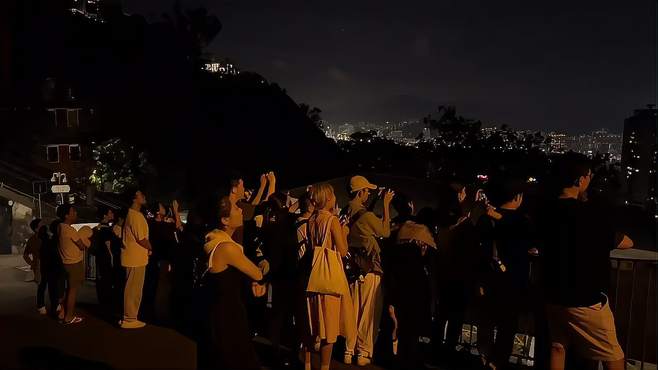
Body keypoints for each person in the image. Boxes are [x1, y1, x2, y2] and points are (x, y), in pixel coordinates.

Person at [541, 153, 633, 370]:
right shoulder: (590, 215)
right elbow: (625, 242)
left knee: (557, 347)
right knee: (614, 355)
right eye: (589, 176)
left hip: (553, 293)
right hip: (585, 298)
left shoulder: (545, 211)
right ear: (580, 179)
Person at [199, 195, 266, 370]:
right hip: (229, 316)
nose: (241, 210)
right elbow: (257, 274)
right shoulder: (227, 248)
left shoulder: (213, 241)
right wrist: (262, 267)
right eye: (236, 208)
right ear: (225, 219)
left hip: (217, 314)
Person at [476, 178, 535, 370]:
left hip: (489, 278)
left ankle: (484, 357)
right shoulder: (521, 222)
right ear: (518, 197)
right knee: (507, 326)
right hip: (513, 282)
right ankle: (497, 362)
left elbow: (479, 249)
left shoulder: (486, 219)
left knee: (486, 321)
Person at [301, 183, 355, 370]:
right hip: (329, 280)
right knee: (329, 329)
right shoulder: (331, 220)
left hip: (314, 277)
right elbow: (342, 250)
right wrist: (345, 231)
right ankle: (324, 366)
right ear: (328, 198)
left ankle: (307, 364)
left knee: (312, 325)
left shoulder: (312, 219)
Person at [344, 175, 394, 366]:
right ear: (361, 192)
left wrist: (374, 200)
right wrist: (386, 205)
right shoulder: (368, 217)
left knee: (352, 310)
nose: (368, 193)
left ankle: (348, 349)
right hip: (371, 269)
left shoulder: (345, 211)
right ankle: (363, 352)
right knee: (368, 312)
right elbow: (385, 231)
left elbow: (362, 217)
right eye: (367, 191)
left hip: (354, 268)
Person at [385, 205, 437, 369]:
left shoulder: (404, 228)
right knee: (412, 328)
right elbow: (432, 260)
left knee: (402, 324)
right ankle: (410, 360)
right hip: (416, 286)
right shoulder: (425, 235)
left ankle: (399, 358)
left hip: (398, 283)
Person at [120, 188, 151, 329]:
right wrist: (151, 247)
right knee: (133, 290)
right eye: (140, 194)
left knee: (132, 289)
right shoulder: (135, 216)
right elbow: (141, 239)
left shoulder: (133, 215)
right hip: (135, 259)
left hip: (133, 257)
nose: (143, 196)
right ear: (134, 198)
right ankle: (129, 319)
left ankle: (129, 317)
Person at [56, 204, 91, 324]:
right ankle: (69, 317)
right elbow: (82, 246)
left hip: (65, 263)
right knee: (73, 291)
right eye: (73, 211)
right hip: (74, 263)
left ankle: (63, 313)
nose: (75, 213)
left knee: (68, 290)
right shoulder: (70, 230)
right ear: (66, 215)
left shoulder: (60, 227)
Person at [92, 207, 122, 318]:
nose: (112, 213)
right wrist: (113, 259)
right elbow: (109, 246)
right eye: (109, 212)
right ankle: (108, 307)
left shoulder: (98, 228)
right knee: (107, 282)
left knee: (102, 282)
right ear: (105, 215)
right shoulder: (106, 230)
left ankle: (103, 305)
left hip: (100, 258)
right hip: (106, 259)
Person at [23, 218, 47, 314]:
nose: (45, 226)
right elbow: (25, 255)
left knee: (43, 285)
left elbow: (25, 255)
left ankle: (42, 306)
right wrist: (33, 263)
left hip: (41, 265)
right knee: (42, 286)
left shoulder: (35, 239)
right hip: (40, 265)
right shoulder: (35, 240)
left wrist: (32, 263)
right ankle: (41, 305)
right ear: (37, 229)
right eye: (42, 225)